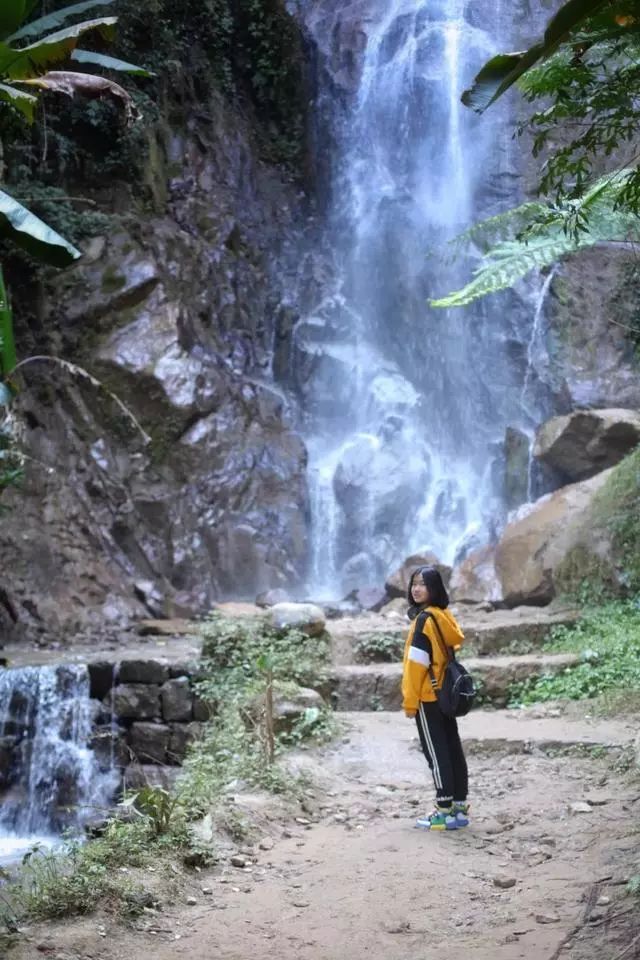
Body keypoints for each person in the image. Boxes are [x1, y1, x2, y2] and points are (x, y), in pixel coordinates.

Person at [401, 565, 469, 831]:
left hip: (428, 696)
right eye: (413, 583)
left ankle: (443, 810)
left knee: (436, 752)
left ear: (434, 588)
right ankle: (459, 808)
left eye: (422, 584)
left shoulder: (422, 621)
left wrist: (410, 701)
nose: (416, 589)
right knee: (452, 747)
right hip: (446, 692)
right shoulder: (443, 616)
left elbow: (416, 665)